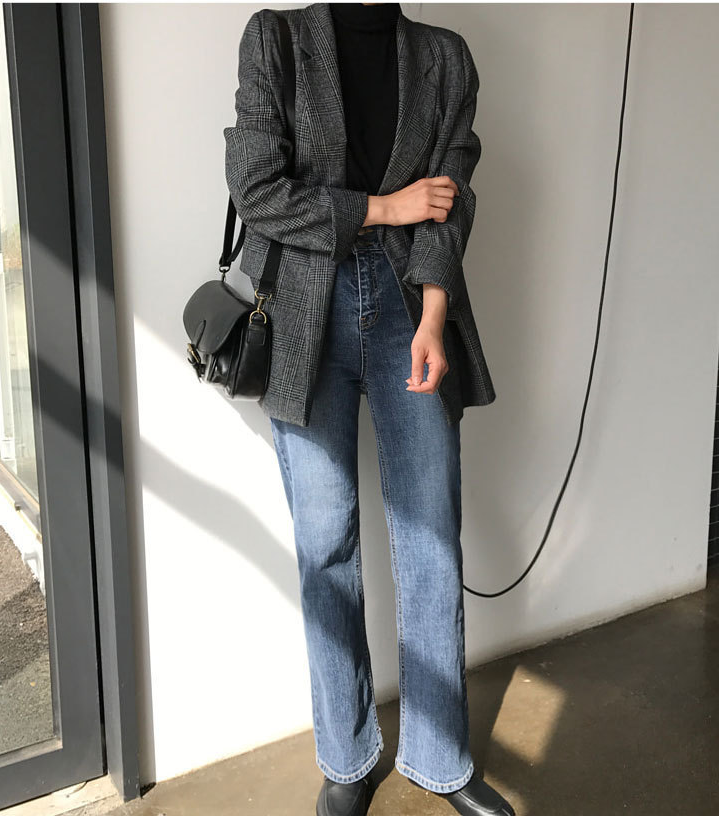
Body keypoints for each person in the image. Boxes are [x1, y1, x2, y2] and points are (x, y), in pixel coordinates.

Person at [224, 4, 507, 815]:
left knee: (432, 537)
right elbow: (257, 191)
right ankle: (346, 760)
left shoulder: (445, 57)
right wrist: (384, 207)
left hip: (407, 303)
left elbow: (451, 199)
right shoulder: (276, 38)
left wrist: (433, 314)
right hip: (302, 314)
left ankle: (440, 758)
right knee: (325, 544)